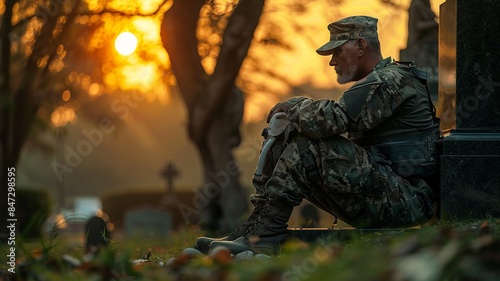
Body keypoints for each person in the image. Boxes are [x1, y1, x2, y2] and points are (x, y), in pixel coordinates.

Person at [194, 15, 440, 255]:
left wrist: (294, 106)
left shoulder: (390, 80)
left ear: (361, 46)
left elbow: (333, 119)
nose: (332, 61)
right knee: (290, 136)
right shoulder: (378, 82)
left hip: (410, 201)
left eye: (337, 51)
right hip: (391, 195)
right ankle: (257, 227)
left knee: (308, 146)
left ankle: (265, 235)